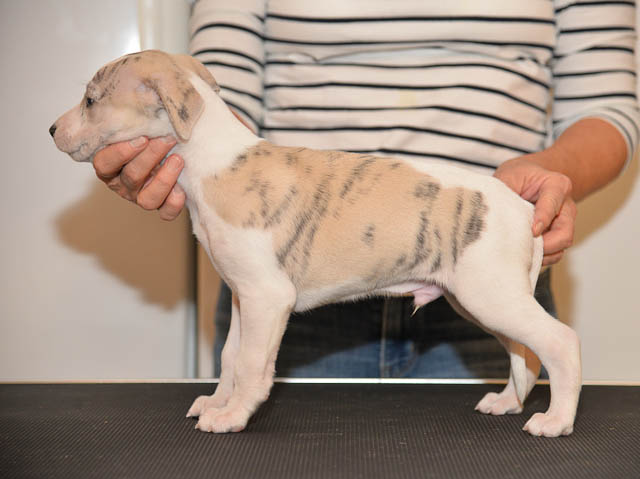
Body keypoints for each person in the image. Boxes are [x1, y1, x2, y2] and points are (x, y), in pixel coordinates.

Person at [93, 1, 638, 378]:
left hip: (473, 229)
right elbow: (218, 83)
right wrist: (172, 141)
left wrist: (548, 173)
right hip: (289, 260)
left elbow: (607, 104)